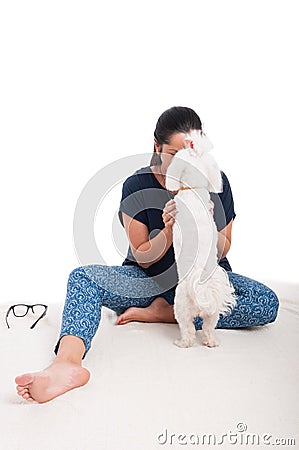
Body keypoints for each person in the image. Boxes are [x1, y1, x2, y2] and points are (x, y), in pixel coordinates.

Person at [15, 106, 279, 403]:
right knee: (83, 278)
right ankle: (66, 365)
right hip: (148, 279)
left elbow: (223, 248)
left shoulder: (217, 182)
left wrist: (207, 222)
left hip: (204, 280)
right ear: (157, 147)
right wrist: (169, 229)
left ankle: (167, 314)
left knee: (267, 303)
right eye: (174, 154)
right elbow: (143, 256)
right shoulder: (137, 185)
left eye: (190, 155)